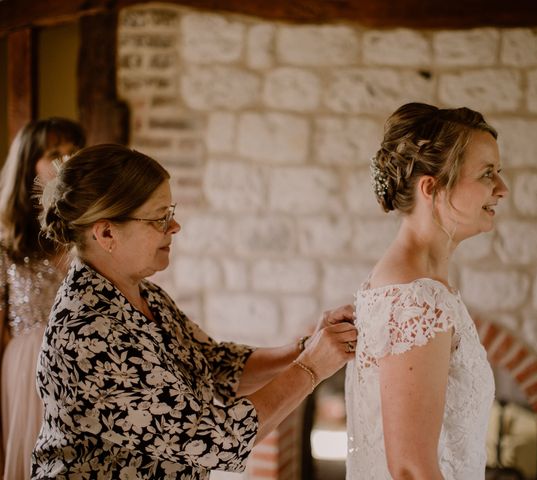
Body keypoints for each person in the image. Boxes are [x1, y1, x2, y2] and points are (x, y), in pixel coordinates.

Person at [33, 143, 357, 479]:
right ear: (106, 233)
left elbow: (217, 365)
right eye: (160, 218)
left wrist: (306, 346)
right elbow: (217, 441)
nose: (175, 227)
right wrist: (312, 368)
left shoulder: (144, 294)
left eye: (169, 213)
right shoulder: (87, 334)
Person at [345, 103, 509, 479]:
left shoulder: (416, 283)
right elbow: (411, 469)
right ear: (432, 188)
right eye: (487, 174)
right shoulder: (415, 299)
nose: (502, 188)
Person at [0, 117, 86, 479]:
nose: (65, 160)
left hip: (83, 357)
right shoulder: (7, 236)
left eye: (72, 151)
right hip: (28, 364)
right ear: (28, 163)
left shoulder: (87, 227)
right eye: (53, 153)